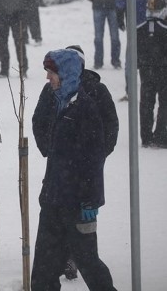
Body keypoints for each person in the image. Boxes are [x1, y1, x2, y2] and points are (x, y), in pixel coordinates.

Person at [30, 49, 117, 291]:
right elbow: (50, 147)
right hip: (53, 201)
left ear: (66, 74)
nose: (48, 78)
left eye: (51, 73)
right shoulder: (57, 102)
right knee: (43, 272)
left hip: (77, 204)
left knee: (89, 264)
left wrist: (90, 202)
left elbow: (94, 159)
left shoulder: (84, 109)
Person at [137, 0, 167, 147]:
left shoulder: (139, 30)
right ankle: (161, 137)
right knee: (164, 104)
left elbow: (134, 55)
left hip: (146, 73)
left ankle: (146, 137)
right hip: (164, 73)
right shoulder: (165, 29)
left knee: (146, 105)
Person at [90, 0, 122, 70]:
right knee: (99, 37)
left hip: (111, 6)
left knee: (114, 37)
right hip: (99, 6)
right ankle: (98, 62)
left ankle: (115, 61)